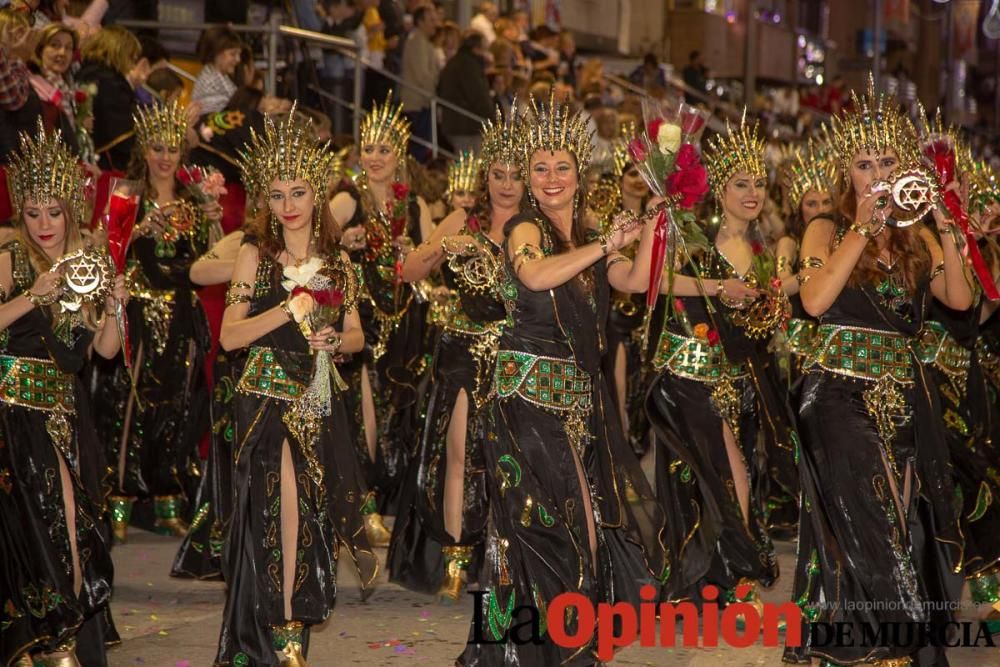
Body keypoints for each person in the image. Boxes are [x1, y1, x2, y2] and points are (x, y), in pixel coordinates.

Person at [459, 93, 668, 665]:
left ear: (581, 174)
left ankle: (558, 645)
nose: (551, 178)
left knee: (586, 522)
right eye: (540, 168)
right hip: (525, 398)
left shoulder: (587, 231)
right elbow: (532, 276)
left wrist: (654, 219)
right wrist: (605, 244)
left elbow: (634, 279)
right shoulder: (526, 228)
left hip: (576, 402)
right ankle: (568, 649)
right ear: (527, 178)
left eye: (562, 167)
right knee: (554, 526)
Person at [785, 80, 973, 666]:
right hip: (838, 395)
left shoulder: (916, 238)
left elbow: (961, 301)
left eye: (886, 162)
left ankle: (887, 648)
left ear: (904, 165)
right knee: (873, 521)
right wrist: (864, 227)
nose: (874, 174)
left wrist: (945, 219)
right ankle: (903, 648)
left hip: (905, 398)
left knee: (902, 524)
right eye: (863, 164)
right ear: (848, 171)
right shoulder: (827, 230)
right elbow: (814, 300)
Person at [216, 109, 377, 667]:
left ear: (317, 195)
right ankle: (281, 623)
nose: (289, 204)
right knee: (277, 501)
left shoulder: (337, 265)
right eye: (278, 193)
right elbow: (230, 335)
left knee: (309, 510)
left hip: (317, 397)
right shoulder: (253, 255)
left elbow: (357, 336)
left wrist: (337, 343)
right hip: (262, 396)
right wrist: (287, 309)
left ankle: (293, 619)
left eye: (300, 191)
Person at [644, 118, 797, 608]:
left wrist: (775, 303)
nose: (752, 193)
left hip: (741, 380)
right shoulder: (695, 239)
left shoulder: (763, 249)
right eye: (740, 183)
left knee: (734, 474)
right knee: (720, 473)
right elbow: (656, 284)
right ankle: (740, 573)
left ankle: (712, 582)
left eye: (758, 183)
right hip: (687, 377)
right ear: (720, 190)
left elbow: (760, 317)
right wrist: (716, 288)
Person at [0, 121, 126, 667]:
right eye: (32, 212)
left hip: (65, 413)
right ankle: (48, 642)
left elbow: (105, 352)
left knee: (75, 526)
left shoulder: (87, 261)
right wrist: (35, 294)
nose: (44, 224)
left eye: (53, 211)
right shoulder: (9, 254)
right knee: (32, 529)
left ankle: (66, 638)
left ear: (70, 209)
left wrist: (117, 301)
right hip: (13, 415)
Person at [389, 116, 522, 603]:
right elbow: (407, 270)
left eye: (515, 175)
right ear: (485, 178)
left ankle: (505, 557)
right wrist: (447, 245)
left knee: (507, 459)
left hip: (516, 354)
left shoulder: (537, 228)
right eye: (497, 175)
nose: (505, 185)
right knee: (460, 449)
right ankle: (455, 555)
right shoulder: (462, 221)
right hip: (463, 351)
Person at [99, 100, 221, 542]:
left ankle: (169, 500)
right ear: (143, 150)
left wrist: (212, 221)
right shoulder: (129, 194)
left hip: (181, 311)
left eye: (172, 148)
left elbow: (215, 259)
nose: (165, 156)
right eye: (157, 147)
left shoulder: (193, 197)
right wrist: (139, 228)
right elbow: (103, 248)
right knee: (126, 406)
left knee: (178, 404)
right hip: (137, 310)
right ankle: (119, 501)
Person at [329, 94, 434, 544]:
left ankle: (395, 506)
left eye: (383, 150)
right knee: (362, 412)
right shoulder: (345, 200)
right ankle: (362, 504)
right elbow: (310, 248)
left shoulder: (416, 207)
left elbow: (433, 263)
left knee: (398, 415)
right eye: (367, 148)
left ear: (400, 156)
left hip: (405, 320)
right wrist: (343, 245)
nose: (373, 158)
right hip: (362, 319)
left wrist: (417, 258)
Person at [77, 25, 144, 171]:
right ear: (119, 52)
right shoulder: (110, 83)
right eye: (131, 57)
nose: (132, 65)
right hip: (106, 163)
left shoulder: (84, 73)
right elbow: (122, 135)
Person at [438, 31, 494, 154]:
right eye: (484, 49)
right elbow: (478, 96)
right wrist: (494, 118)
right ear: (476, 48)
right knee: (470, 164)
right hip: (466, 126)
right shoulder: (468, 66)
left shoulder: (458, 62)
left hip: (458, 124)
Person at [400, 5, 440, 160]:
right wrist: (432, 96)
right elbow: (422, 75)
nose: (435, 24)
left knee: (422, 147)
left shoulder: (423, 41)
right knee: (418, 149)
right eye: (431, 20)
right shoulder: (416, 41)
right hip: (417, 104)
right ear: (420, 21)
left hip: (422, 103)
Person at [191, 26, 243, 116]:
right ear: (216, 53)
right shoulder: (208, 83)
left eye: (239, 54)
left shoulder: (222, 76)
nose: (238, 59)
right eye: (233, 54)